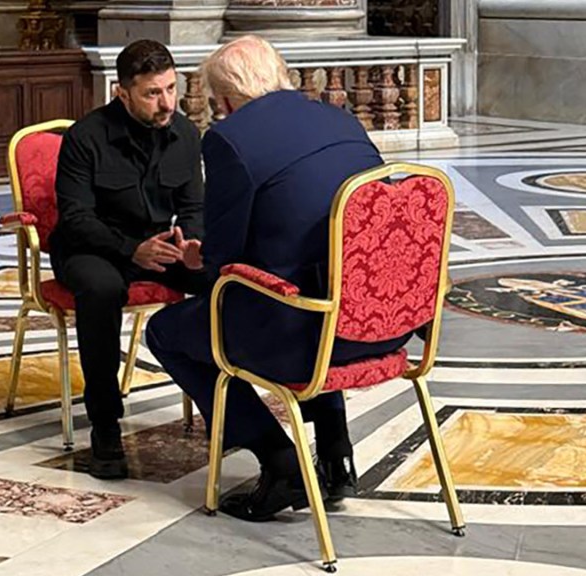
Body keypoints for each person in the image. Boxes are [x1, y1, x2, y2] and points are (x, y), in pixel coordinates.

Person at [146, 35, 414, 521]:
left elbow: (224, 261)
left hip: (301, 342)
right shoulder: (341, 119)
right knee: (322, 279)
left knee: (167, 331)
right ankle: (336, 454)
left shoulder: (230, 138)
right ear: (281, 75)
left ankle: (279, 460)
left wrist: (197, 258)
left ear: (226, 100)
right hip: (383, 324)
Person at [50, 39, 208, 480]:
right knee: (102, 290)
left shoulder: (186, 134)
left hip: (158, 245)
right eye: (152, 93)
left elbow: (193, 207)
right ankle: (105, 426)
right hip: (91, 248)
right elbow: (76, 218)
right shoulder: (85, 137)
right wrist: (129, 249)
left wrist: (192, 244)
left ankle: (224, 406)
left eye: (171, 88)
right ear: (122, 93)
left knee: (222, 279)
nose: (167, 103)